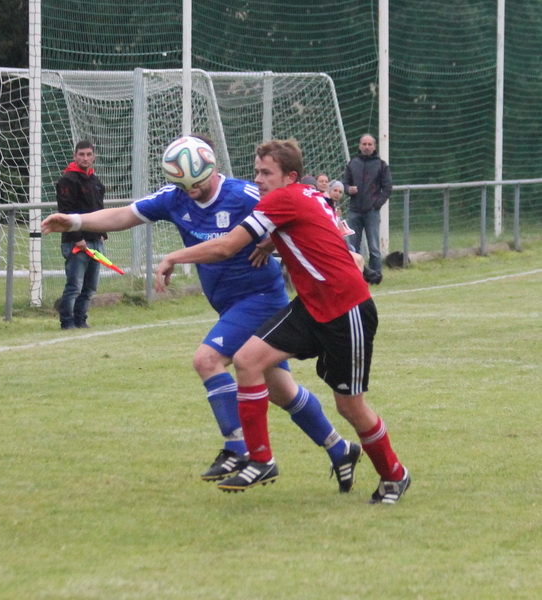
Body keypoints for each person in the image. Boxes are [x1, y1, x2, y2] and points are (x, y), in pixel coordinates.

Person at [42, 135, 363, 494]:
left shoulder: (244, 194)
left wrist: (334, 248)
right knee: (280, 390)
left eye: (196, 184)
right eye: (184, 186)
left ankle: (240, 450)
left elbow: (300, 210)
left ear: (212, 169)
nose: (191, 192)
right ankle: (340, 448)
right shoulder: (174, 197)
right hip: (228, 303)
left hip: (260, 298)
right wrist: (73, 221)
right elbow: (124, 214)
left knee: (207, 360)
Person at [154, 139, 410, 504]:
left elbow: (226, 246)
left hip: (346, 309)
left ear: (289, 176)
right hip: (311, 306)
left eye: (266, 173)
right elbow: (316, 230)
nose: (257, 179)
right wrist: (272, 244)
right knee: (247, 360)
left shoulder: (280, 200)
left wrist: (173, 257)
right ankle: (260, 459)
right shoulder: (308, 194)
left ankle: (394, 475)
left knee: (350, 406)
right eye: (256, 172)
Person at [56, 140, 107, 329]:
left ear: (94, 156)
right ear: (75, 156)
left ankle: (81, 319)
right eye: (81, 154)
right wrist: (78, 238)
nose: (85, 158)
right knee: (74, 286)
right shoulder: (67, 180)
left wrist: (102, 233)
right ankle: (67, 322)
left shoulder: (95, 181)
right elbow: (66, 212)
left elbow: (99, 210)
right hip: (76, 242)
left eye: (88, 154)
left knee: (90, 287)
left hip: (95, 240)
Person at [342, 134, 392, 276]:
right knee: (353, 246)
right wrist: (348, 189)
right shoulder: (352, 164)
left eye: (370, 144)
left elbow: (387, 187)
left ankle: (376, 274)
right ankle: (355, 274)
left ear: (374, 146)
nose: (367, 147)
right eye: (364, 144)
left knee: (374, 247)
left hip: (372, 212)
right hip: (354, 211)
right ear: (359, 145)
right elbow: (344, 184)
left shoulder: (381, 165)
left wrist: (377, 204)